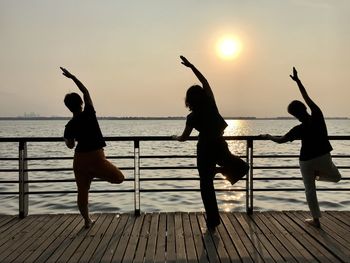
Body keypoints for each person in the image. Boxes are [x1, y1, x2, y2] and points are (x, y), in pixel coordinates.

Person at [173, 56, 249, 230]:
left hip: (205, 150)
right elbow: (204, 80)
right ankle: (220, 170)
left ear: (189, 100)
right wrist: (192, 66)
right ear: (203, 96)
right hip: (219, 145)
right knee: (243, 167)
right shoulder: (211, 104)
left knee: (206, 188)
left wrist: (174, 138)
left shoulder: (192, 117)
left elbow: (184, 137)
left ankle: (213, 223)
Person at [262, 67, 341, 228]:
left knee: (309, 190)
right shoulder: (317, 115)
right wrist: (298, 81)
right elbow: (306, 96)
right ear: (305, 108)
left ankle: (316, 220)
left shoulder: (298, 129)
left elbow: (281, 140)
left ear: (294, 115)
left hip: (306, 161)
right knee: (336, 177)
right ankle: (318, 176)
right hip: (323, 156)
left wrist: (268, 136)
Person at [61, 67, 125, 228]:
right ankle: (96, 174)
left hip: (80, 160)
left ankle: (87, 221)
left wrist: (66, 139)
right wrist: (73, 77)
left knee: (82, 192)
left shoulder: (69, 125)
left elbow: (70, 146)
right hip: (96, 158)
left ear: (68, 107)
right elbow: (85, 91)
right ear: (81, 103)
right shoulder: (89, 112)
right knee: (119, 178)